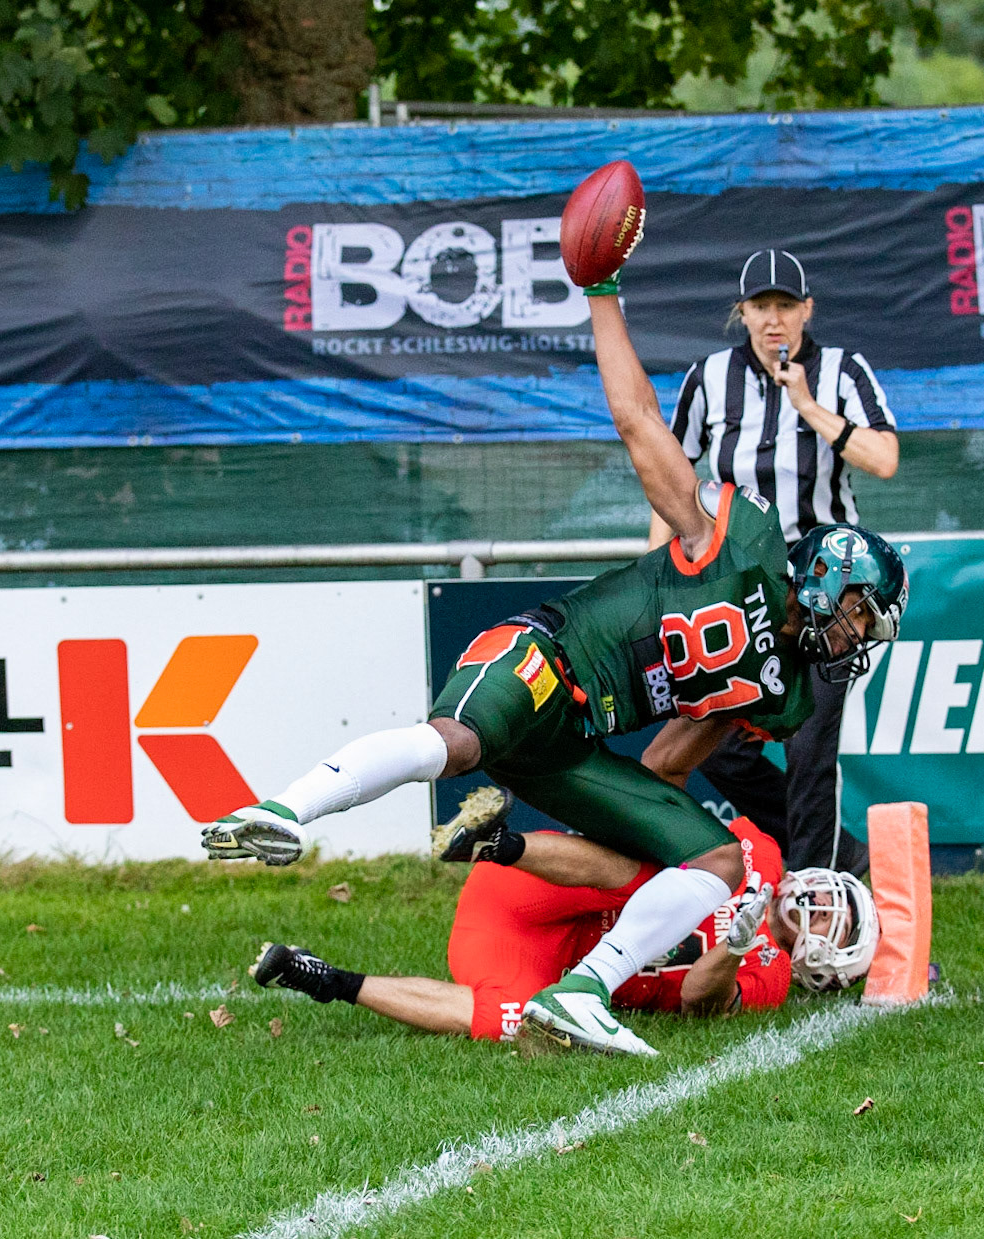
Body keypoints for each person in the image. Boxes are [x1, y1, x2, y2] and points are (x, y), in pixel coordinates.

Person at [200, 250, 908, 1058]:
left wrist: (648, 860)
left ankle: (582, 991)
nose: (857, 635)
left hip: (578, 741)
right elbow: (640, 422)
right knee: (457, 743)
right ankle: (282, 811)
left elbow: (670, 761)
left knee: (715, 857)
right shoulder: (738, 537)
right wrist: (603, 295)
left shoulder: (778, 693)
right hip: (548, 659)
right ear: (824, 581)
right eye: (858, 614)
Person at [657, 249, 901, 875]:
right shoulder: (709, 376)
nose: (774, 320)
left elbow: (885, 459)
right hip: (742, 587)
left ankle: (821, 898)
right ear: (741, 313)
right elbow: (672, 477)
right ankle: (835, 855)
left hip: (830, 590)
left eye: (785, 306)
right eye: (761, 306)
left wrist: (810, 406)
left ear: (806, 311)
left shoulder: (842, 370)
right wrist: (661, 573)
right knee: (716, 743)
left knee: (812, 745)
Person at [246, 802, 881, 1041]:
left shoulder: (769, 978)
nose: (822, 903)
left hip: (532, 960)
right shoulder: (759, 853)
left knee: (515, 1023)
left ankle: (326, 978)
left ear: (823, 965)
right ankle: (494, 843)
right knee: (644, 875)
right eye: (835, 896)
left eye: (836, 922)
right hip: (538, 889)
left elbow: (697, 999)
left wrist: (736, 946)